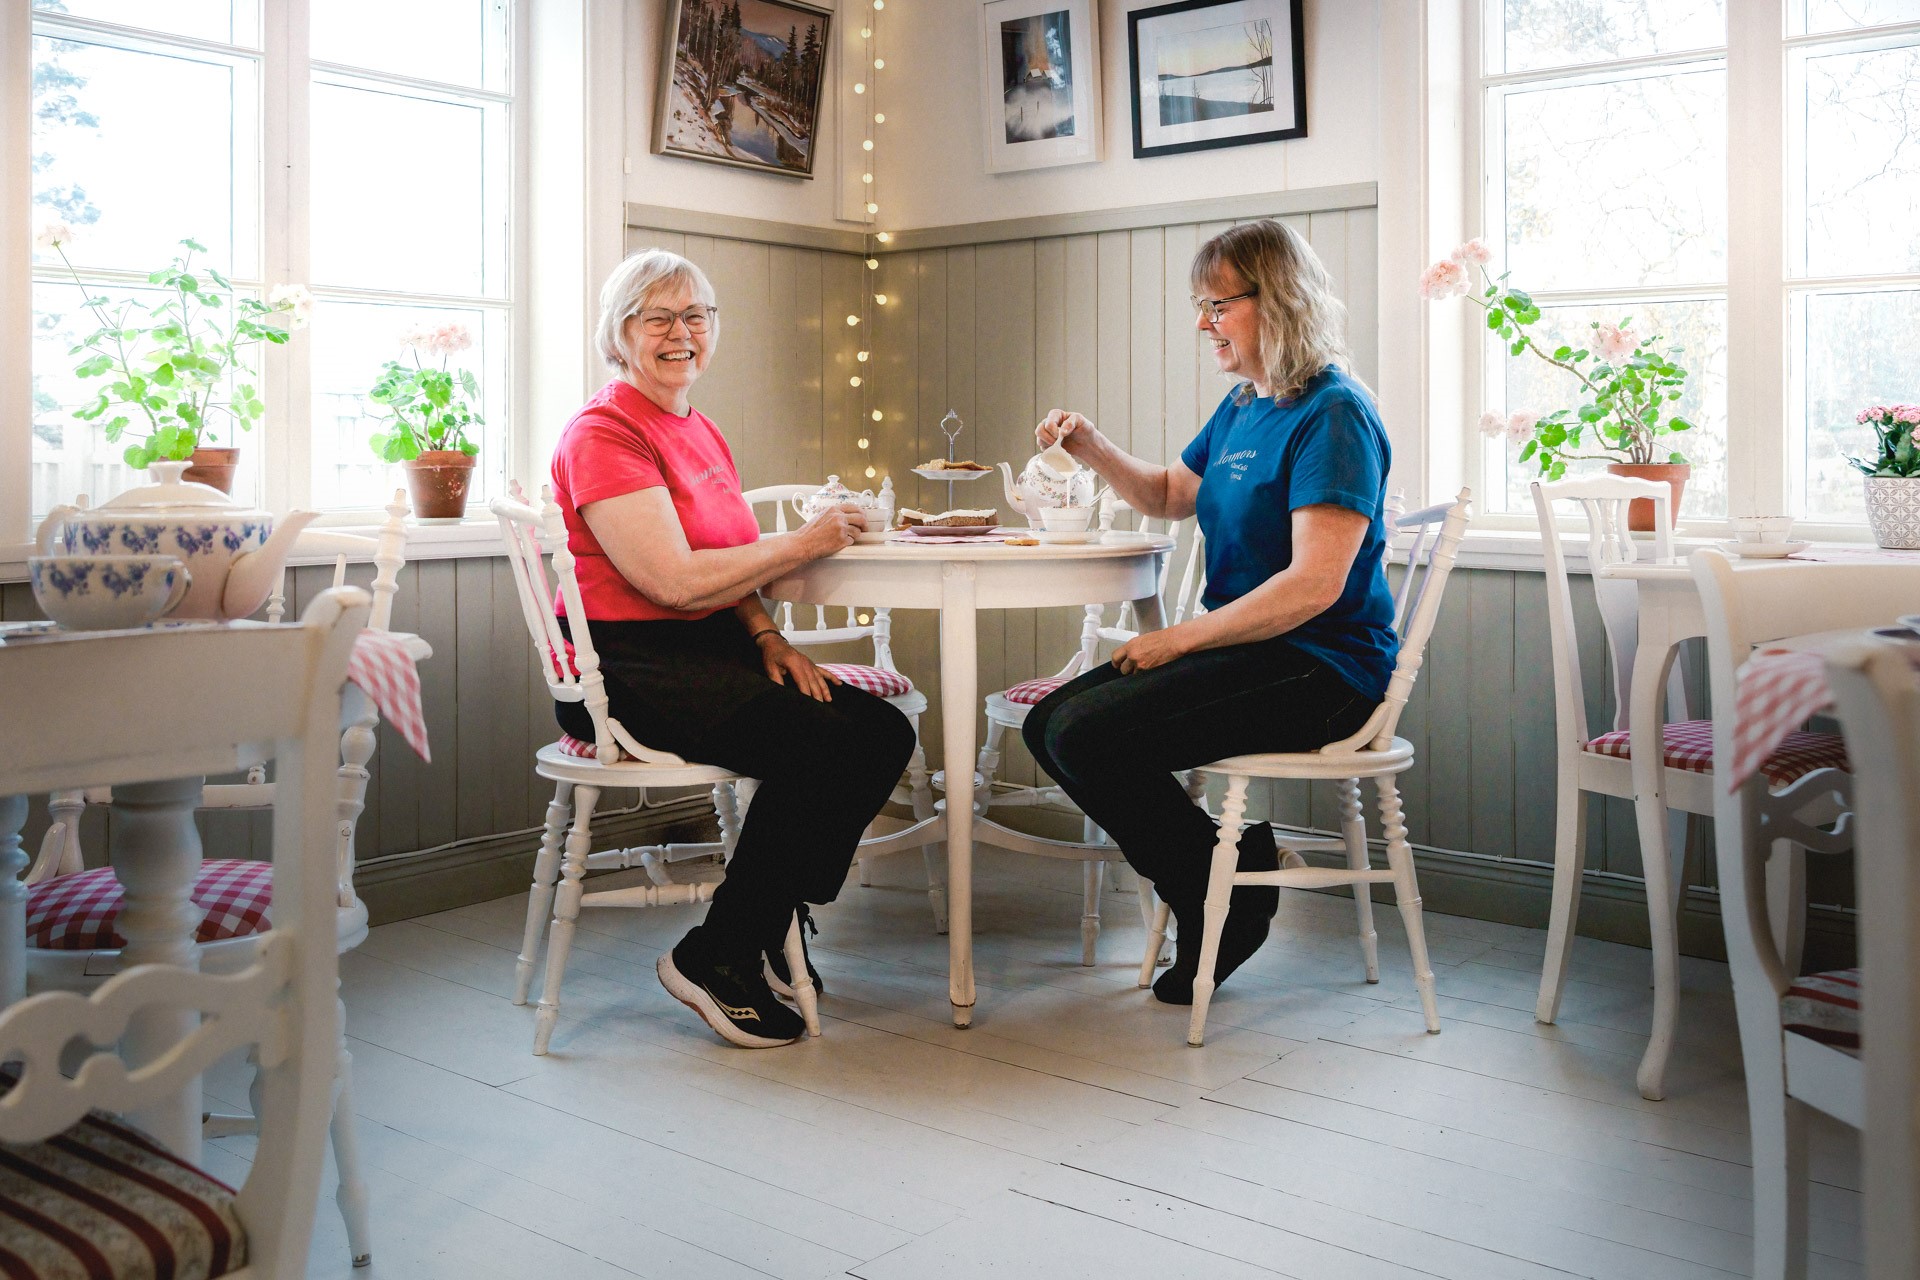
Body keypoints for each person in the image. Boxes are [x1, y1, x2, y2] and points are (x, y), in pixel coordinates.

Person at [1021, 219, 1397, 1005]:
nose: (1203, 324)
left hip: (1322, 668)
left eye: (1217, 305)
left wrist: (1179, 639)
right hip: (1246, 655)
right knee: (1046, 726)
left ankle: (1222, 899)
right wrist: (1088, 443)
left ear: (1279, 301)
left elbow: (1312, 588)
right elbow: (1166, 494)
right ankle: (1225, 886)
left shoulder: (1334, 414)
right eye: (1201, 306)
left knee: (1089, 735)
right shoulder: (1244, 405)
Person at [550, 248, 916, 1048]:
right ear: (620, 335)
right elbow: (673, 583)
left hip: (708, 647)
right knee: (820, 748)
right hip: (624, 666)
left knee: (884, 731)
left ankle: (764, 919)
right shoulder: (604, 432)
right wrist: (805, 541)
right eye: (659, 318)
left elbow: (723, 568)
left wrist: (767, 635)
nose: (681, 333)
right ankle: (720, 952)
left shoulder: (697, 427)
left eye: (697, 316)